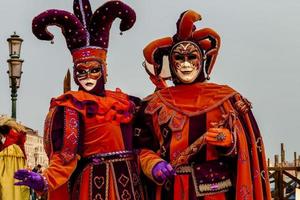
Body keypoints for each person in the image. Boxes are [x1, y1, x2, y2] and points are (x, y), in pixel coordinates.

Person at [134, 10, 271, 200]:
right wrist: (153, 164)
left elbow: (248, 146)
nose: (186, 64)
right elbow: (140, 147)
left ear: (202, 60)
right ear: (171, 64)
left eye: (192, 57)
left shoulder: (228, 99)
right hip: (171, 191)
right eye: (179, 59)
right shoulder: (153, 104)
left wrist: (230, 143)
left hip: (217, 191)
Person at [14, 1, 144, 200]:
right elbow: (65, 156)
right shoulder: (71, 107)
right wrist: (45, 179)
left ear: (104, 70)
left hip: (130, 186)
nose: (88, 77)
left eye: (94, 70)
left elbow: (145, 143)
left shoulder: (126, 103)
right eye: (81, 72)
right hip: (94, 187)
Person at [0, 116, 30, 200]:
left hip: (7, 164)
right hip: (19, 164)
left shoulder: (7, 149)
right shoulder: (19, 140)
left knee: (7, 188)